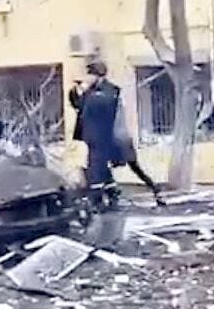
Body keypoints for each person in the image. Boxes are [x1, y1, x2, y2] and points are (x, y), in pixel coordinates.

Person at [69, 61, 163, 204]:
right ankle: (109, 197)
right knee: (97, 170)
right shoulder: (91, 92)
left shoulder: (110, 90)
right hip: (96, 140)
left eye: (90, 74)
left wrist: (87, 92)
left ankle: (154, 188)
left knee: (133, 167)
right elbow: (79, 105)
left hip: (114, 138)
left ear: (98, 76)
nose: (87, 78)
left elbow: (102, 105)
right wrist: (75, 91)